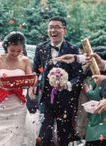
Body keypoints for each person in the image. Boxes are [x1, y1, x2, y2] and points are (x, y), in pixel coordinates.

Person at [0, 31, 37, 146]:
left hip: (18, 103)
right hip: (2, 103)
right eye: (12, 50)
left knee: (16, 134)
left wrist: (32, 82)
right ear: (6, 46)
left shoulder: (25, 61)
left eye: (19, 51)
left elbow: (30, 81)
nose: (15, 53)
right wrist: (1, 81)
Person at [32, 16, 83, 146]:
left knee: (64, 135)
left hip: (66, 99)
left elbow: (79, 76)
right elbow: (35, 71)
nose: (53, 30)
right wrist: (34, 83)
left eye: (57, 27)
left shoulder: (73, 49)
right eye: (50, 27)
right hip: (46, 98)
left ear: (64, 30)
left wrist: (67, 84)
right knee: (45, 135)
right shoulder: (41, 48)